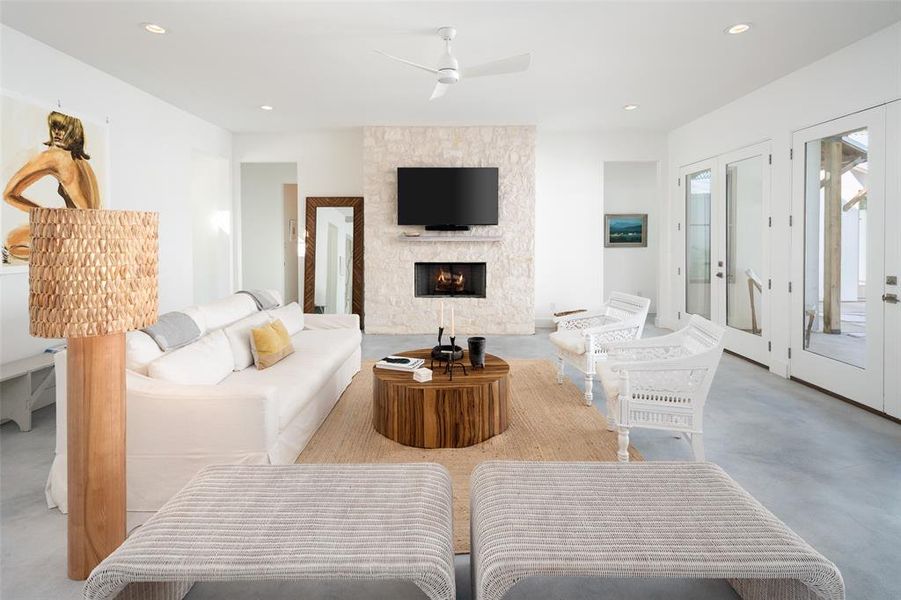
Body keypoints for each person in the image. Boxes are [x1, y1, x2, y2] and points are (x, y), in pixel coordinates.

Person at [2, 111, 101, 262]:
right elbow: (87, 209)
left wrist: (47, 215)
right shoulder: (82, 161)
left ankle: (63, 256)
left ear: (73, 130)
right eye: (54, 126)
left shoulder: (55, 156)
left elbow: (9, 194)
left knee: (12, 241)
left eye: (62, 127)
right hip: (91, 233)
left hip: (76, 235)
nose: (56, 132)